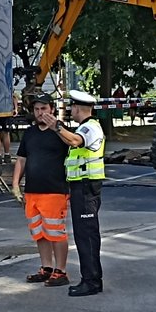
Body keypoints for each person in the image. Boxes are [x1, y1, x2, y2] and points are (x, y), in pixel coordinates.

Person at [40, 90, 105, 296]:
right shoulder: (85, 127)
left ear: (77, 108)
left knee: (87, 236)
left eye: (72, 108)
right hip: (81, 188)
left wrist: (57, 126)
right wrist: (58, 128)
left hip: (87, 188)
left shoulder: (91, 128)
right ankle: (91, 278)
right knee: (83, 234)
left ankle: (92, 281)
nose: (71, 111)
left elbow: (75, 141)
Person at [11, 93, 71, 287]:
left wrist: (58, 127)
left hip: (54, 190)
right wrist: (15, 184)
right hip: (32, 191)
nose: (40, 113)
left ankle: (60, 271)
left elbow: (74, 144)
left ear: (52, 109)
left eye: (44, 109)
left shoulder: (61, 132)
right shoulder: (29, 133)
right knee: (40, 233)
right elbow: (22, 159)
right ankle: (46, 268)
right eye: (37, 109)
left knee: (56, 233)